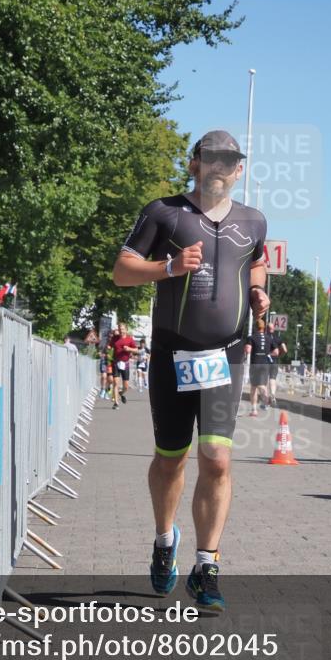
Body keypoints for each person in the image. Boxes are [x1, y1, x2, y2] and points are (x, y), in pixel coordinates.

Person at [112, 130, 268, 611]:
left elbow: (255, 265)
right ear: (196, 163)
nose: (221, 167)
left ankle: (207, 565)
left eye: (231, 161)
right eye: (211, 158)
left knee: (218, 459)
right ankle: (164, 542)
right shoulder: (164, 212)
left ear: (239, 169)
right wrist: (170, 267)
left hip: (226, 355)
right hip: (173, 355)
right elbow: (121, 270)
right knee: (171, 460)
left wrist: (260, 293)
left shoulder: (254, 220)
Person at [244, 317, 274, 416]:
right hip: (265, 364)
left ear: (255, 327)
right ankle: (266, 397)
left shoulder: (251, 337)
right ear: (264, 327)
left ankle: (254, 410)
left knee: (253, 387)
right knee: (263, 385)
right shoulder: (269, 338)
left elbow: (248, 350)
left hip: (255, 363)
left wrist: (245, 349)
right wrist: (267, 353)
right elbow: (277, 351)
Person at [110, 322, 139, 407]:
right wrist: (107, 349)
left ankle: (121, 393)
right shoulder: (115, 338)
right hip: (116, 362)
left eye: (122, 329)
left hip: (125, 364)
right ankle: (116, 403)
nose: (120, 330)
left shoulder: (130, 339)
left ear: (126, 330)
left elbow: (136, 350)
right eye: (119, 329)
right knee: (116, 382)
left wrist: (129, 348)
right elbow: (109, 346)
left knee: (126, 386)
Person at [266, 319, 286, 407]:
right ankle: (273, 395)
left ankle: (265, 398)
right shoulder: (278, 338)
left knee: (264, 380)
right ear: (273, 329)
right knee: (272, 379)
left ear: (267, 329)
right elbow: (285, 349)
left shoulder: (264, 337)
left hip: (265, 361)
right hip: (274, 361)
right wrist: (279, 355)